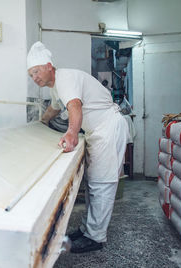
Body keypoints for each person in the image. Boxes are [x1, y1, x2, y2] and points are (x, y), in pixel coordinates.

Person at [27, 41, 129, 253]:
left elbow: (74, 106)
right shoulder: (57, 86)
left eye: (36, 71)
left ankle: (95, 238)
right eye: (31, 75)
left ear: (48, 66)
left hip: (107, 129)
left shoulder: (65, 78)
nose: (34, 77)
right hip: (97, 132)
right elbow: (54, 108)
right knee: (94, 183)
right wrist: (39, 125)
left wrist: (72, 133)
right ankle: (87, 230)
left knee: (102, 183)